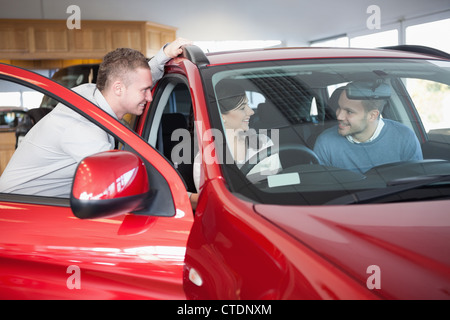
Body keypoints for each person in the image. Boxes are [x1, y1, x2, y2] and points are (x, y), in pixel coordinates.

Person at [0, 38, 192, 197]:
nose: (149, 97)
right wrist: (189, 197)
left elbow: (133, 79)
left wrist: (164, 55)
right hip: (24, 209)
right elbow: (125, 188)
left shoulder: (90, 92)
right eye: (145, 91)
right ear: (117, 88)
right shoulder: (84, 131)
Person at [189, 80, 281, 208]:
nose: (251, 112)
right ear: (222, 116)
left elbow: (279, 184)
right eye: (243, 108)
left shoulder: (264, 142)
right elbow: (213, 202)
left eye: (248, 105)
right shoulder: (206, 157)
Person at [313, 83, 423, 174]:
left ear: (372, 116)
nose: (339, 116)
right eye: (339, 107)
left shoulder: (405, 138)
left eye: (349, 112)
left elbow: (416, 185)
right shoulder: (325, 142)